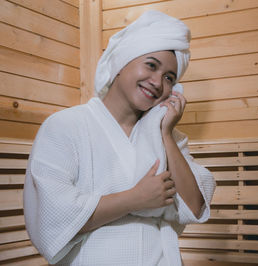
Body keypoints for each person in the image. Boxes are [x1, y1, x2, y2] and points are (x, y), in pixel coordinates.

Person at [23, 10, 215, 266]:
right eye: (151, 64)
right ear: (122, 61)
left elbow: (195, 207)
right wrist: (134, 199)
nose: (157, 82)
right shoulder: (65, 126)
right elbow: (53, 217)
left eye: (169, 77)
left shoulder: (170, 135)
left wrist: (165, 134)